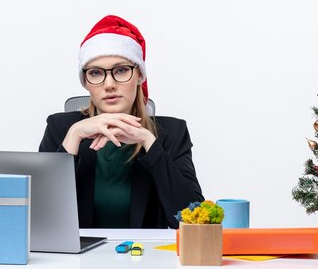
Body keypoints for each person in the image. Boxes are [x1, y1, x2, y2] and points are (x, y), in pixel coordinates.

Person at [38, 15, 204, 228]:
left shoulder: (172, 132)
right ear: (86, 83)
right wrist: (73, 136)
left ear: (140, 76)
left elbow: (192, 219)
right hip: (78, 259)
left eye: (121, 70)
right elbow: (41, 219)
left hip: (145, 258)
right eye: (96, 73)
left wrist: (148, 140)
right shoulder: (60, 128)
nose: (109, 84)